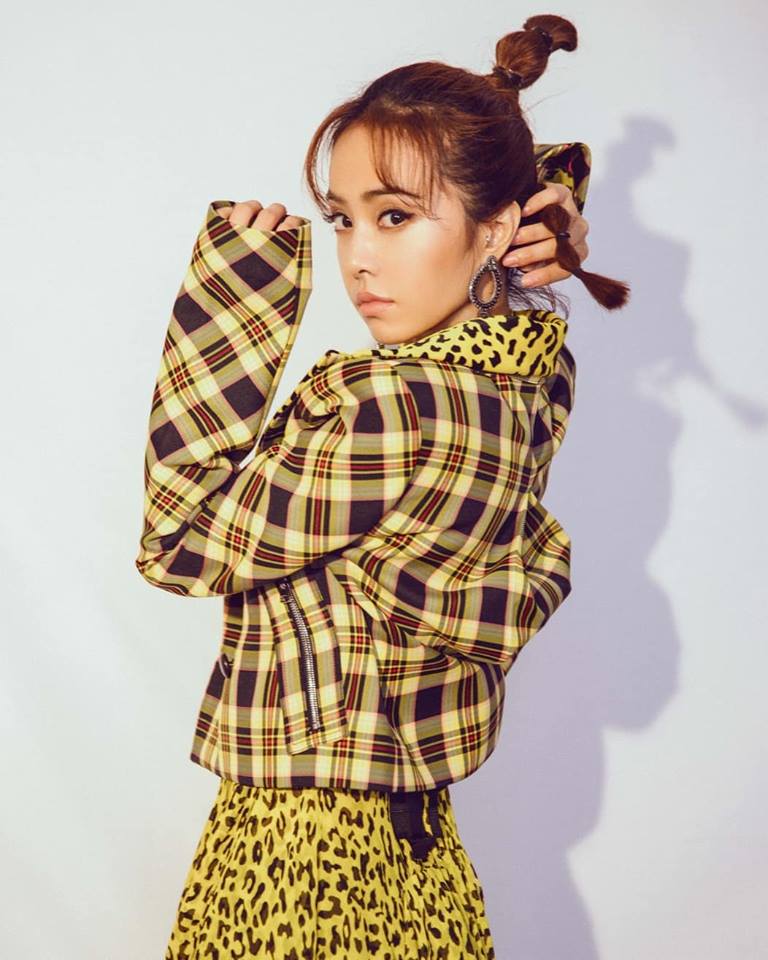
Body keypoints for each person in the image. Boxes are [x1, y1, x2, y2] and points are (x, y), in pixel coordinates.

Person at [135, 13, 629, 960]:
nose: (358, 256)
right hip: (415, 852)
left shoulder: (389, 407)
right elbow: (508, 174)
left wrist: (237, 299)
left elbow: (176, 541)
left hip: (297, 856)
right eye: (343, 218)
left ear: (494, 227)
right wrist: (552, 208)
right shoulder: (529, 384)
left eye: (394, 216)